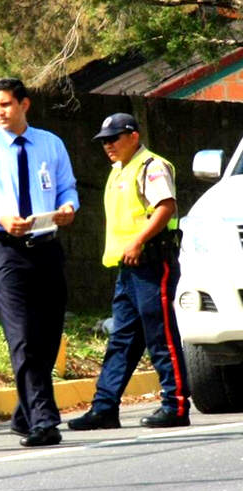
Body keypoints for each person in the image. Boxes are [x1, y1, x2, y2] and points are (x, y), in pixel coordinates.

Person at [0, 78, 79, 447]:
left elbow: (67, 187)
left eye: (6, 104)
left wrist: (68, 208)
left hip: (47, 247)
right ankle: (44, 420)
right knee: (23, 338)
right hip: (8, 251)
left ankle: (23, 413)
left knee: (47, 337)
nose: (0, 112)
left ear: (24, 104)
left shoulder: (50, 143)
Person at [68, 113, 190, 430]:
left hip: (151, 262)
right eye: (104, 141)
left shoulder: (151, 166)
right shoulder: (118, 171)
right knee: (121, 340)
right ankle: (105, 408)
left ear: (133, 136)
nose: (108, 145)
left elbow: (166, 206)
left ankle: (176, 406)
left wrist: (137, 242)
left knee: (160, 335)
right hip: (128, 269)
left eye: (114, 138)